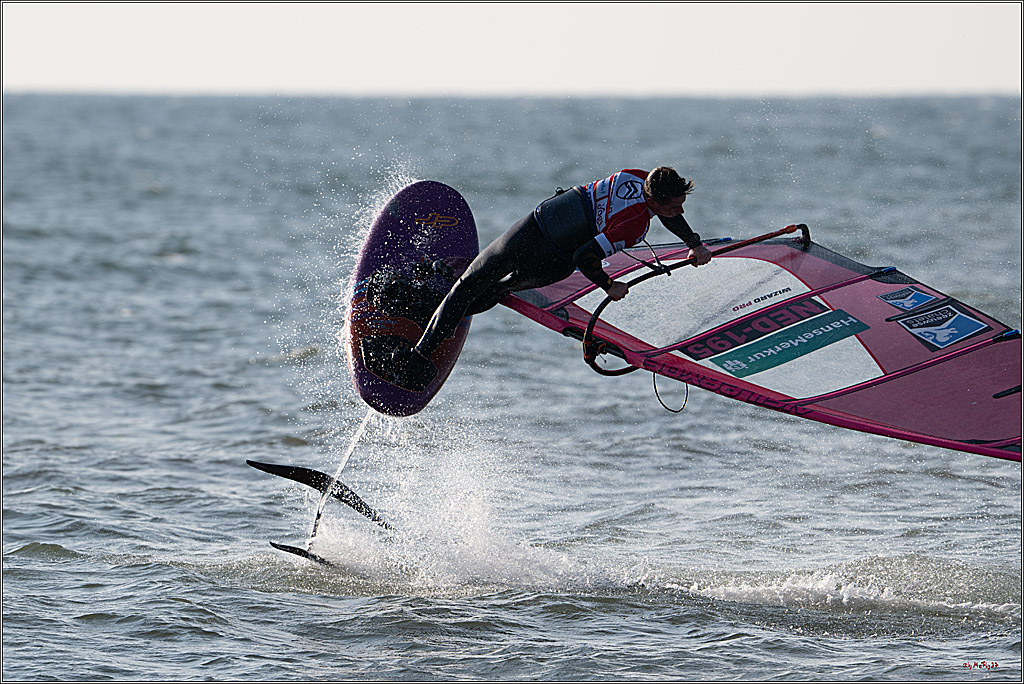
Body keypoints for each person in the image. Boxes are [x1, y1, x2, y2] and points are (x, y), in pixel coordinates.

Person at [392, 166, 713, 389]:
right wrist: (608, 285)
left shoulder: (640, 177)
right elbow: (584, 257)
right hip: (553, 256)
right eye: (676, 206)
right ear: (654, 200)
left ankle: (420, 312)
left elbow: (668, 214)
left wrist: (693, 242)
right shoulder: (634, 225)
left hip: (537, 227)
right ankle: (418, 345)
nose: (680, 211)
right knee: (494, 289)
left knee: (472, 284)